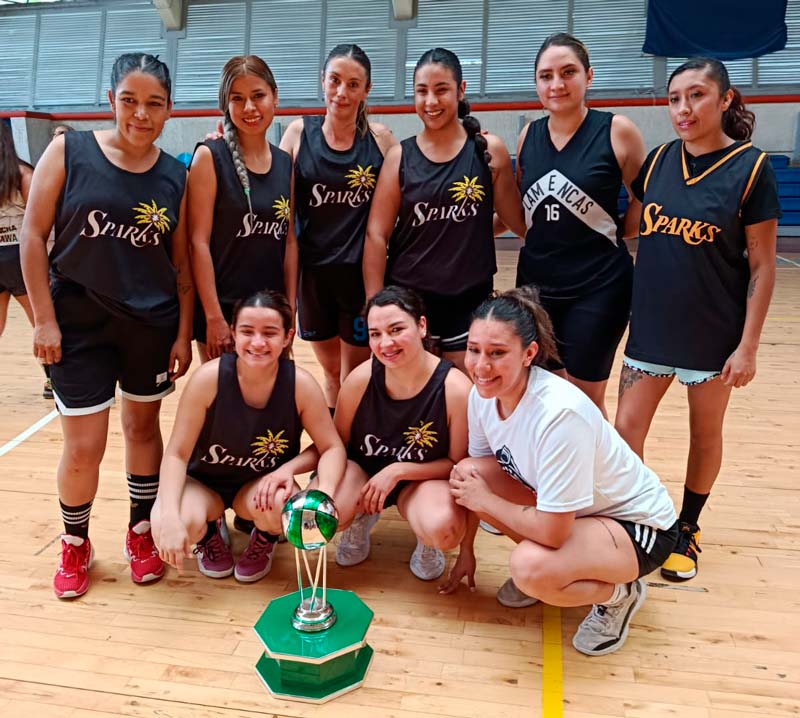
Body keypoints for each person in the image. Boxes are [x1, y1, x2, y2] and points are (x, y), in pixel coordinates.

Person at [20, 53, 193, 599]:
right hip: (79, 324)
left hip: (150, 324)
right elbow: (31, 236)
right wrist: (43, 319)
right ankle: (75, 543)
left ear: (169, 111)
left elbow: (183, 264)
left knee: (143, 431)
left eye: (154, 104)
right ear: (111, 98)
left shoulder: (174, 175)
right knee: (84, 445)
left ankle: (140, 532)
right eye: (130, 100)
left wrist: (182, 332)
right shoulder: (68, 151)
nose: (140, 114)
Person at [442, 287, 677, 656]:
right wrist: (465, 551)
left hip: (638, 527)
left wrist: (486, 500)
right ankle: (562, 567)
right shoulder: (482, 396)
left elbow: (550, 531)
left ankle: (619, 594)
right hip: (573, 515)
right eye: (474, 350)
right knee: (470, 472)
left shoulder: (558, 415)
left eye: (498, 353)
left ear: (529, 354)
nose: (481, 366)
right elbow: (474, 485)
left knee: (530, 567)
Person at [614, 58, 780, 581]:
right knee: (625, 430)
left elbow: (763, 264)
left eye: (697, 96)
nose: (684, 109)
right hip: (653, 327)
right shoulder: (659, 160)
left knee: (704, 432)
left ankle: (687, 526)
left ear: (725, 100)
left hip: (713, 334)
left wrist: (747, 346)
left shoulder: (752, 168)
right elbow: (634, 227)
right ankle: (638, 517)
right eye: (675, 98)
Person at [151, 290, 347, 582]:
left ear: (287, 336)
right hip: (205, 486)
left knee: (284, 499)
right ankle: (208, 533)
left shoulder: (300, 385)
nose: (257, 342)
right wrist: (167, 514)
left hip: (259, 488)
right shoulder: (209, 379)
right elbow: (177, 454)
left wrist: (318, 492)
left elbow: (331, 447)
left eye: (269, 333)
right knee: (171, 519)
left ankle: (265, 537)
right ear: (233, 333)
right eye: (247, 331)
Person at [363, 47, 525, 372]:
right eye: (422, 91)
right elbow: (376, 235)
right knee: (415, 399)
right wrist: (375, 305)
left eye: (441, 90)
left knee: (465, 400)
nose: (431, 102)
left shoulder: (488, 152)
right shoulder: (399, 158)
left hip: (470, 300)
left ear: (460, 90)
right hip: (410, 299)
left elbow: (514, 220)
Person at [513, 33, 645, 418]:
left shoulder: (617, 130)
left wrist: (619, 229)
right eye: (546, 75)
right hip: (537, 285)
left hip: (599, 284)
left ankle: (595, 478)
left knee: (584, 399)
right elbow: (529, 212)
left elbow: (641, 198)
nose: (556, 84)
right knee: (542, 392)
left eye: (568, 72)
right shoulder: (527, 136)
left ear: (588, 76)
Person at [280, 44, 396, 411]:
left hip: (359, 277)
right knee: (331, 374)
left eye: (353, 84)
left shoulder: (381, 141)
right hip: (313, 278)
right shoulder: (299, 134)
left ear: (367, 90)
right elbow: (276, 204)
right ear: (323, 82)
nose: (342, 92)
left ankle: (349, 450)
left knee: (356, 375)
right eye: (335, 81)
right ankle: (335, 450)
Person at [330, 286, 472, 581]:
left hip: (421, 480)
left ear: (421, 326)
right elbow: (335, 445)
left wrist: (397, 470)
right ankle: (361, 513)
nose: (386, 343)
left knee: (443, 529)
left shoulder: (455, 388)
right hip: (366, 478)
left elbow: (457, 465)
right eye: (375, 334)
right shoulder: (359, 380)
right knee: (327, 508)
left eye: (396, 329)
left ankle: (426, 538)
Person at [189, 55, 297, 363]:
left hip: (272, 315)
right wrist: (212, 316)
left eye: (258, 96)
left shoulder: (284, 163)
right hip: (224, 313)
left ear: (275, 97)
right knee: (225, 406)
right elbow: (197, 243)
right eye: (238, 99)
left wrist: (290, 308)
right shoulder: (210, 158)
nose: (249, 107)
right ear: (226, 105)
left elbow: (289, 242)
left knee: (273, 406)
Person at [0, 122, 45, 395]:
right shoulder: (23, 173)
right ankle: (54, 379)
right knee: (42, 323)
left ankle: (55, 377)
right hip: (19, 256)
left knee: (40, 323)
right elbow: (39, 225)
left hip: (15, 255)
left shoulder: (21, 173)